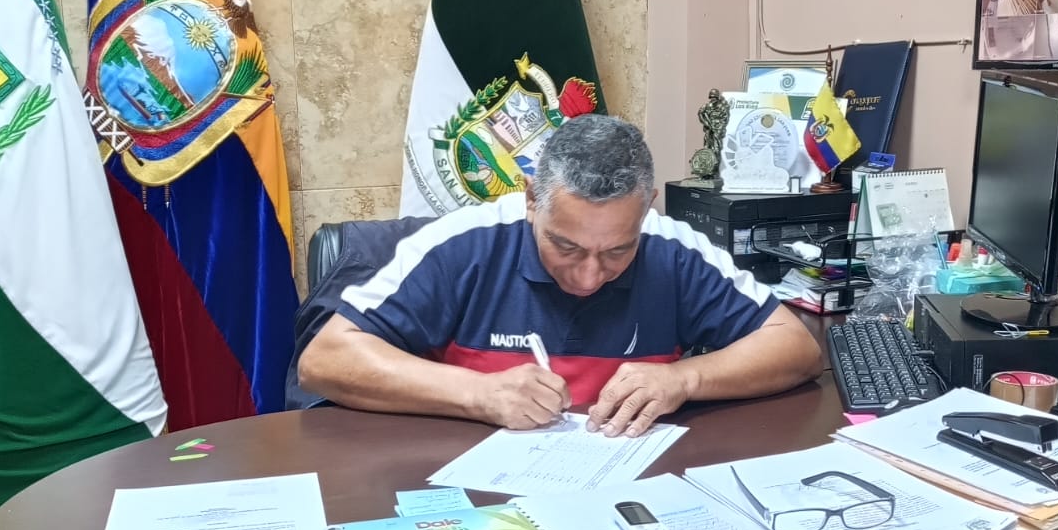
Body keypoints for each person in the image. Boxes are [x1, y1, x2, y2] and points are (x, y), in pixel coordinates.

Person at [298, 114, 824, 436]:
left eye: (617, 250)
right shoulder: (465, 244)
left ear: (647, 210)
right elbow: (325, 360)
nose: (590, 276)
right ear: (531, 199)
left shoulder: (672, 249)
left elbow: (795, 348)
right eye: (566, 246)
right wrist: (476, 394)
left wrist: (685, 379)